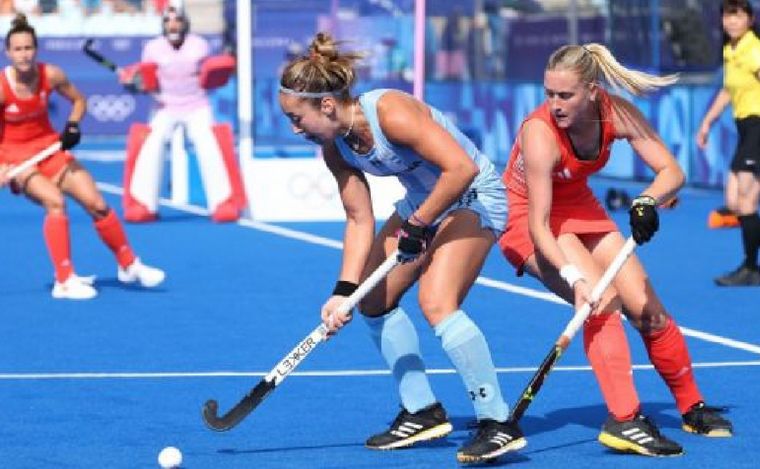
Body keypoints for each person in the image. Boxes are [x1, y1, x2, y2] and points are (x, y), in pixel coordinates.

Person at [278, 32, 525, 464]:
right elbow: (359, 219)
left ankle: (497, 422)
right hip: (422, 206)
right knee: (373, 300)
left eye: (298, 118)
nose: (295, 129)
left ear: (328, 105)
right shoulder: (336, 150)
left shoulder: (389, 111)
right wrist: (343, 290)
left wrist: (419, 222)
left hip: (474, 195)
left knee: (437, 301)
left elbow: (461, 168)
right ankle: (422, 410)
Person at [498, 42, 733, 457]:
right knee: (601, 302)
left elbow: (671, 171)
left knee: (648, 310)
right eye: (548, 93)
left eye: (564, 95)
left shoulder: (615, 113)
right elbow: (537, 224)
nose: (554, 104)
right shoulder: (539, 133)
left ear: (592, 90)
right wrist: (574, 279)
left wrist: (646, 201)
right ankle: (624, 420)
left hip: (579, 208)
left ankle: (691, 405)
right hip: (530, 220)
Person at [0, 14, 165, 300]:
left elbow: (79, 101)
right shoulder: (2, 88)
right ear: (8, 53)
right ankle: (64, 280)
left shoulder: (50, 74)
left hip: (50, 148)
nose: (24, 55)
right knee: (55, 202)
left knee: (97, 204)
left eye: (28, 48)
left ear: (35, 49)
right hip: (16, 158)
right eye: (18, 49)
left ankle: (129, 265)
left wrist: (73, 125)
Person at [121, 0, 245, 223]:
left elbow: (210, 77)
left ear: (185, 23)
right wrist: (134, 83)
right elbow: (145, 81)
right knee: (151, 144)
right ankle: (142, 203)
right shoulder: (152, 48)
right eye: (168, 21)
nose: (173, 25)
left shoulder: (199, 45)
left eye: (177, 20)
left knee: (209, 144)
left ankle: (223, 202)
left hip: (196, 105)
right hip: (165, 106)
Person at [697, 0, 760, 286]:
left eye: (738, 15)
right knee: (734, 200)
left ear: (750, 19)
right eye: (727, 15)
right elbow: (727, 90)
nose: (731, 21)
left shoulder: (754, 50)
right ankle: (750, 266)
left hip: (758, 126)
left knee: (747, 199)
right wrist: (707, 122)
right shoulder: (730, 50)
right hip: (745, 129)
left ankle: (750, 269)